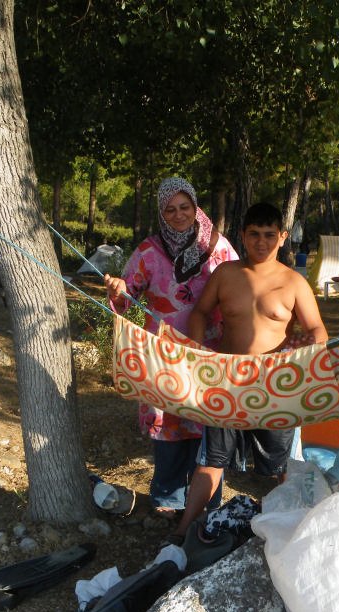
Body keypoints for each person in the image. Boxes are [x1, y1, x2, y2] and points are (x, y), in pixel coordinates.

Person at [166, 202, 328, 544]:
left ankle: (295, 533)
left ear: (282, 237)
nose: (261, 242)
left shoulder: (295, 282)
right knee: (211, 461)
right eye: (254, 234)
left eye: (270, 235)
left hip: (276, 384)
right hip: (228, 379)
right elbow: (200, 313)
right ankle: (182, 532)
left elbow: (318, 330)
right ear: (242, 236)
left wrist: (308, 345)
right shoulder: (226, 274)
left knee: (283, 466)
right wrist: (197, 352)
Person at [104, 177, 238, 519]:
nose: (178, 215)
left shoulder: (220, 247)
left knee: (207, 423)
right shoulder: (148, 251)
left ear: (195, 207)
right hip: (163, 352)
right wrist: (119, 288)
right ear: (162, 213)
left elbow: (240, 288)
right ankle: (169, 496)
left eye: (184, 207)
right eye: (170, 209)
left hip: (210, 350)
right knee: (168, 422)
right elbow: (126, 298)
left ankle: (207, 498)